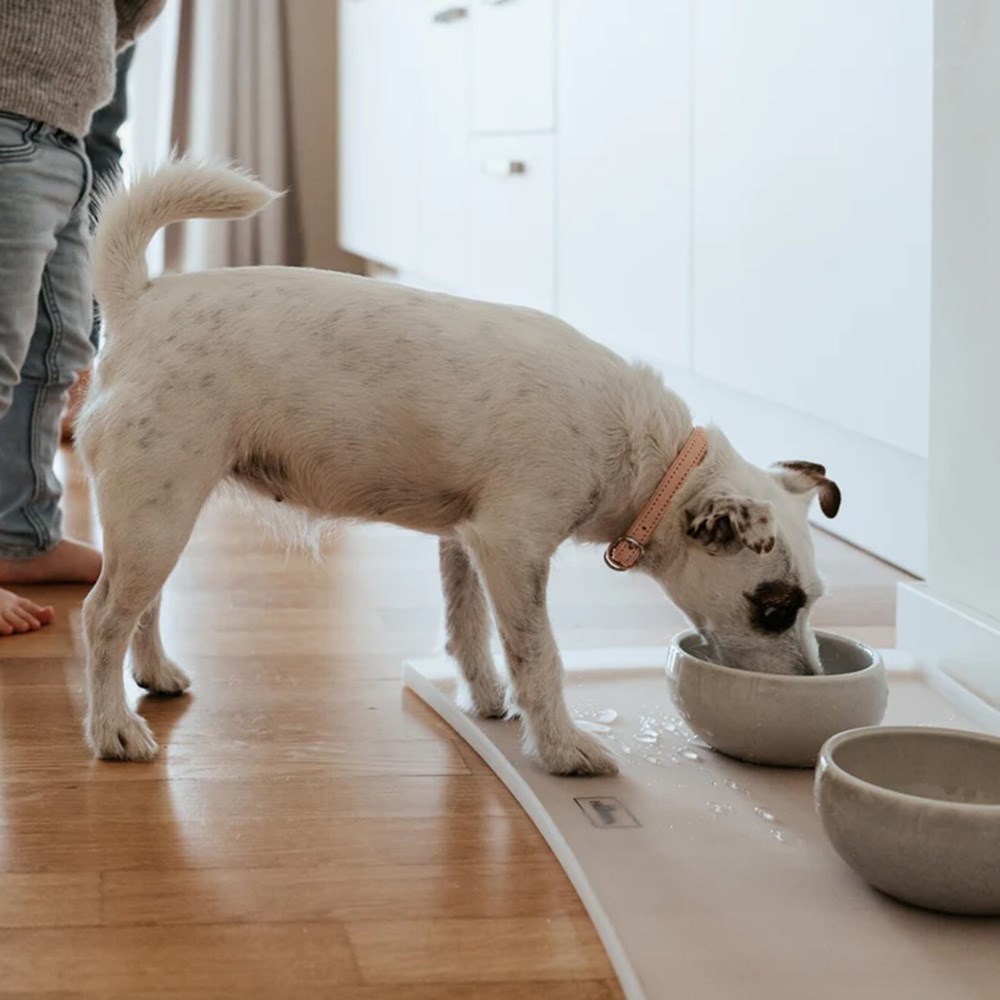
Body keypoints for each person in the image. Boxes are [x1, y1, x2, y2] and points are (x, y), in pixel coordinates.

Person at [0, 2, 164, 637]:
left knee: (57, 350)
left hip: (66, 135)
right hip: (10, 120)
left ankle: (23, 534)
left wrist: (96, 41)